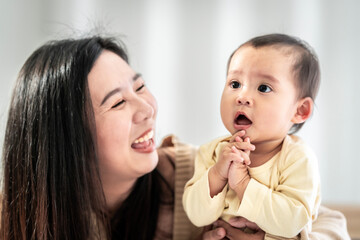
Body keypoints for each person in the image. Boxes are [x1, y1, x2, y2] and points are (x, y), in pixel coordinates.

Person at [0, 35, 350, 240]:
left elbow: (331, 222)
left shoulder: (190, 167)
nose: (148, 108)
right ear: (67, 138)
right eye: (119, 102)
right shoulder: (19, 215)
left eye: (140, 87)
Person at [183, 34, 328, 239]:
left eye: (263, 88)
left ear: (300, 110)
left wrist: (242, 184)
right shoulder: (213, 152)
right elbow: (196, 216)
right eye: (234, 84)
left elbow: (292, 223)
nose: (242, 97)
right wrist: (217, 175)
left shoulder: (297, 159)